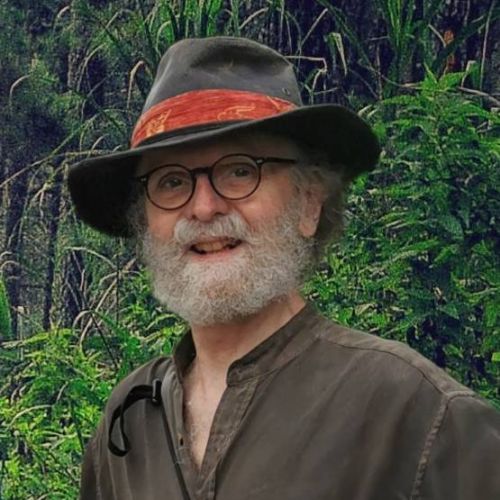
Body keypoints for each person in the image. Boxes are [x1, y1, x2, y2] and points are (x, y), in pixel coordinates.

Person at [69, 37, 500, 500]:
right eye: (171, 181)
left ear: (309, 203)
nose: (204, 207)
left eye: (240, 171)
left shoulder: (418, 415)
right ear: (145, 222)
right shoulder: (130, 420)